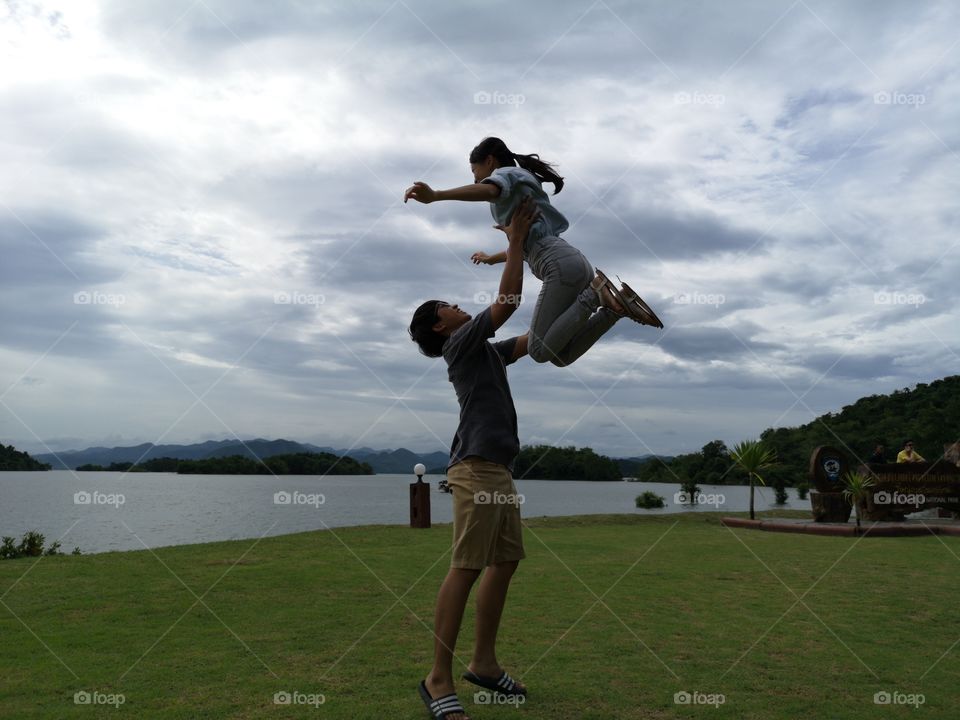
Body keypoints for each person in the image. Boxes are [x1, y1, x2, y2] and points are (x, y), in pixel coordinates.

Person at [408, 198, 538, 720]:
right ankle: (437, 678)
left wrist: (594, 309)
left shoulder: (484, 351)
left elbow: (535, 340)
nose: (459, 306)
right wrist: (515, 242)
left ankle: (483, 664)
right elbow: (507, 304)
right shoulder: (460, 344)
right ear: (441, 327)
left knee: (504, 562)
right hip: (477, 467)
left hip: (497, 468)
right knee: (466, 566)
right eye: (449, 305)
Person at [404, 136, 661, 368]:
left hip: (558, 265)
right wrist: (492, 259)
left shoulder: (504, 174)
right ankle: (614, 309)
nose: (475, 179)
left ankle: (595, 294)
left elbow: (489, 190)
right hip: (570, 261)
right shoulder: (520, 184)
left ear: (490, 161)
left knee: (537, 351)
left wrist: (436, 195)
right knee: (560, 354)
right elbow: (525, 247)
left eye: (475, 171)